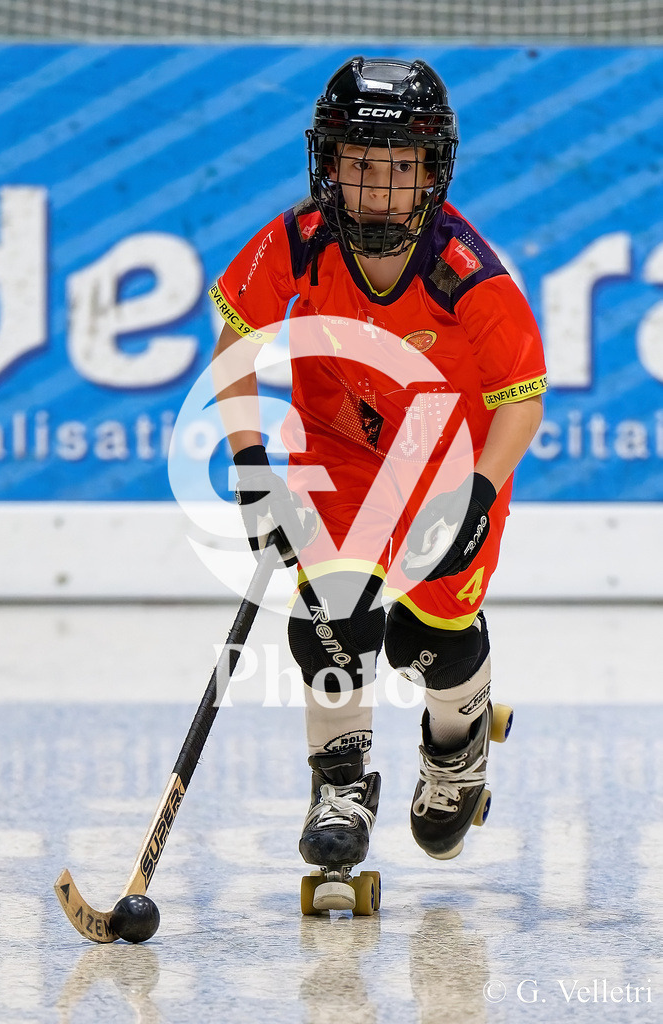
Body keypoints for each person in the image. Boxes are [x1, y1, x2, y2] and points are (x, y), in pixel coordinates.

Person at [210, 56, 546, 908]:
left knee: (424, 640)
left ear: (432, 175)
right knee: (330, 617)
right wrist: (251, 463)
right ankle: (340, 785)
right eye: (359, 164)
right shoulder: (296, 239)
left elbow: (521, 399)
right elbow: (235, 346)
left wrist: (478, 491)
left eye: (399, 169)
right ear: (327, 165)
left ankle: (454, 747)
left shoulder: (466, 270)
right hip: (342, 450)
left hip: (450, 461)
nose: (377, 190)